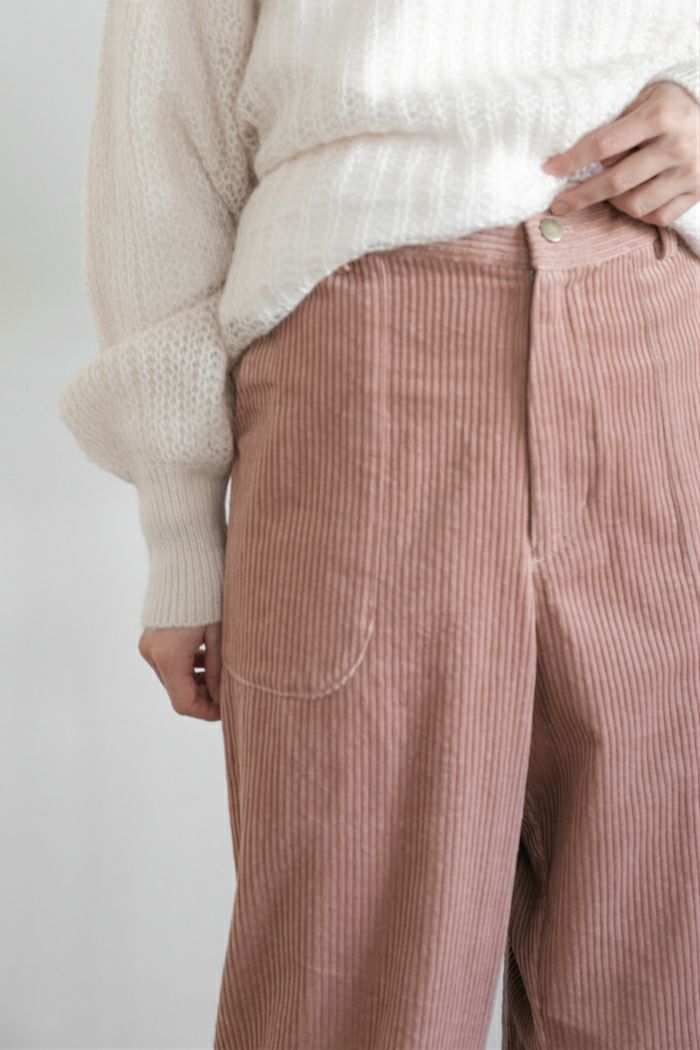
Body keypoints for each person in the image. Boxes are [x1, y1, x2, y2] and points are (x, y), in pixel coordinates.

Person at [58, 2, 700, 1047]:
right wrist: (179, 530)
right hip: (367, 362)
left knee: (663, 981)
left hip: (656, 333)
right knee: (354, 984)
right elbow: (161, 141)